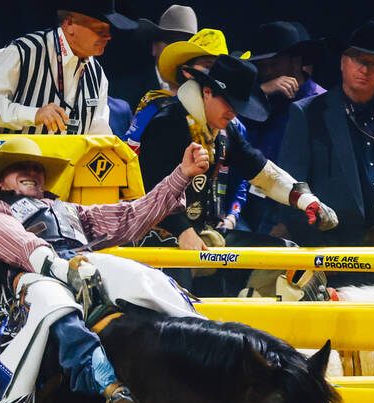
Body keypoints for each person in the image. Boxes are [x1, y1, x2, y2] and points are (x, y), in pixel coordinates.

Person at [0, 136, 208, 403]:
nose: (31, 171)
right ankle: (106, 384)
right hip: (31, 278)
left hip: (83, 265)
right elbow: (17, 242)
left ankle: (202, 338)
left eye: (36, 167)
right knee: (55, 305)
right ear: (0, 181)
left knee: (142, 277)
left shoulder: (68, 210)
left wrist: (181, 175)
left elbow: (129, 215)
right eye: (19, 167)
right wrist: (58, 267)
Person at [135, 55, 338, 296]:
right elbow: (149, 186)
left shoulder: (225, 130)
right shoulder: (167, 123)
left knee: (287, 255)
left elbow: (261, 172)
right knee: (178, 302)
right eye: (229, 103)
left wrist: (306, 199)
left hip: (206, 234)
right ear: (207, 92)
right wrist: (182, 230)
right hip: (159, 235)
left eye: (238, 106)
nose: (233, 113)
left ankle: (259, 307)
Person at [274, 21, 374, 275]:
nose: (365, 69)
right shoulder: (308, 113)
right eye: (358, 58)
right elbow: (290, 187)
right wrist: (316, 250)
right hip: (332, 254)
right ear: (343, 62)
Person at [124, 29, 252, 244]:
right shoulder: (156, 111)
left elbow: (243, 177)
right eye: (209, 66)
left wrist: (232, 215)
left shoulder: (233, 125)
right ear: (188, 72)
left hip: (213, 225)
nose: (216, 74)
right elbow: (131, 167)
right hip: (158, 226)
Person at [0, 1, 135, 136]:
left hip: (63, 168)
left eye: (108, 30)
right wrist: (33, 115)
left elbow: (98, 132)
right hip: (8, 167)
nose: (108, 36)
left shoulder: (97, 73)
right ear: (69, 24)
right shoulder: (25, 52)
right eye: (99, 29)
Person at [240, 21, 326, 234]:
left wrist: (291, 222)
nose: (268, 71)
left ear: (295, 61)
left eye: (274, 64)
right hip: (247, 204)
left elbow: (325, 171)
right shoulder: (260, 97)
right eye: (262, 66)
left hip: (294, 209)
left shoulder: (320, 103)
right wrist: (261, 92)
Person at [108, 4, 196, 108]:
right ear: (154, 47)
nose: (177, 50)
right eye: (171, 41)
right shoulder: (123, 92)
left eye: (186, 45)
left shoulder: (203, 92)